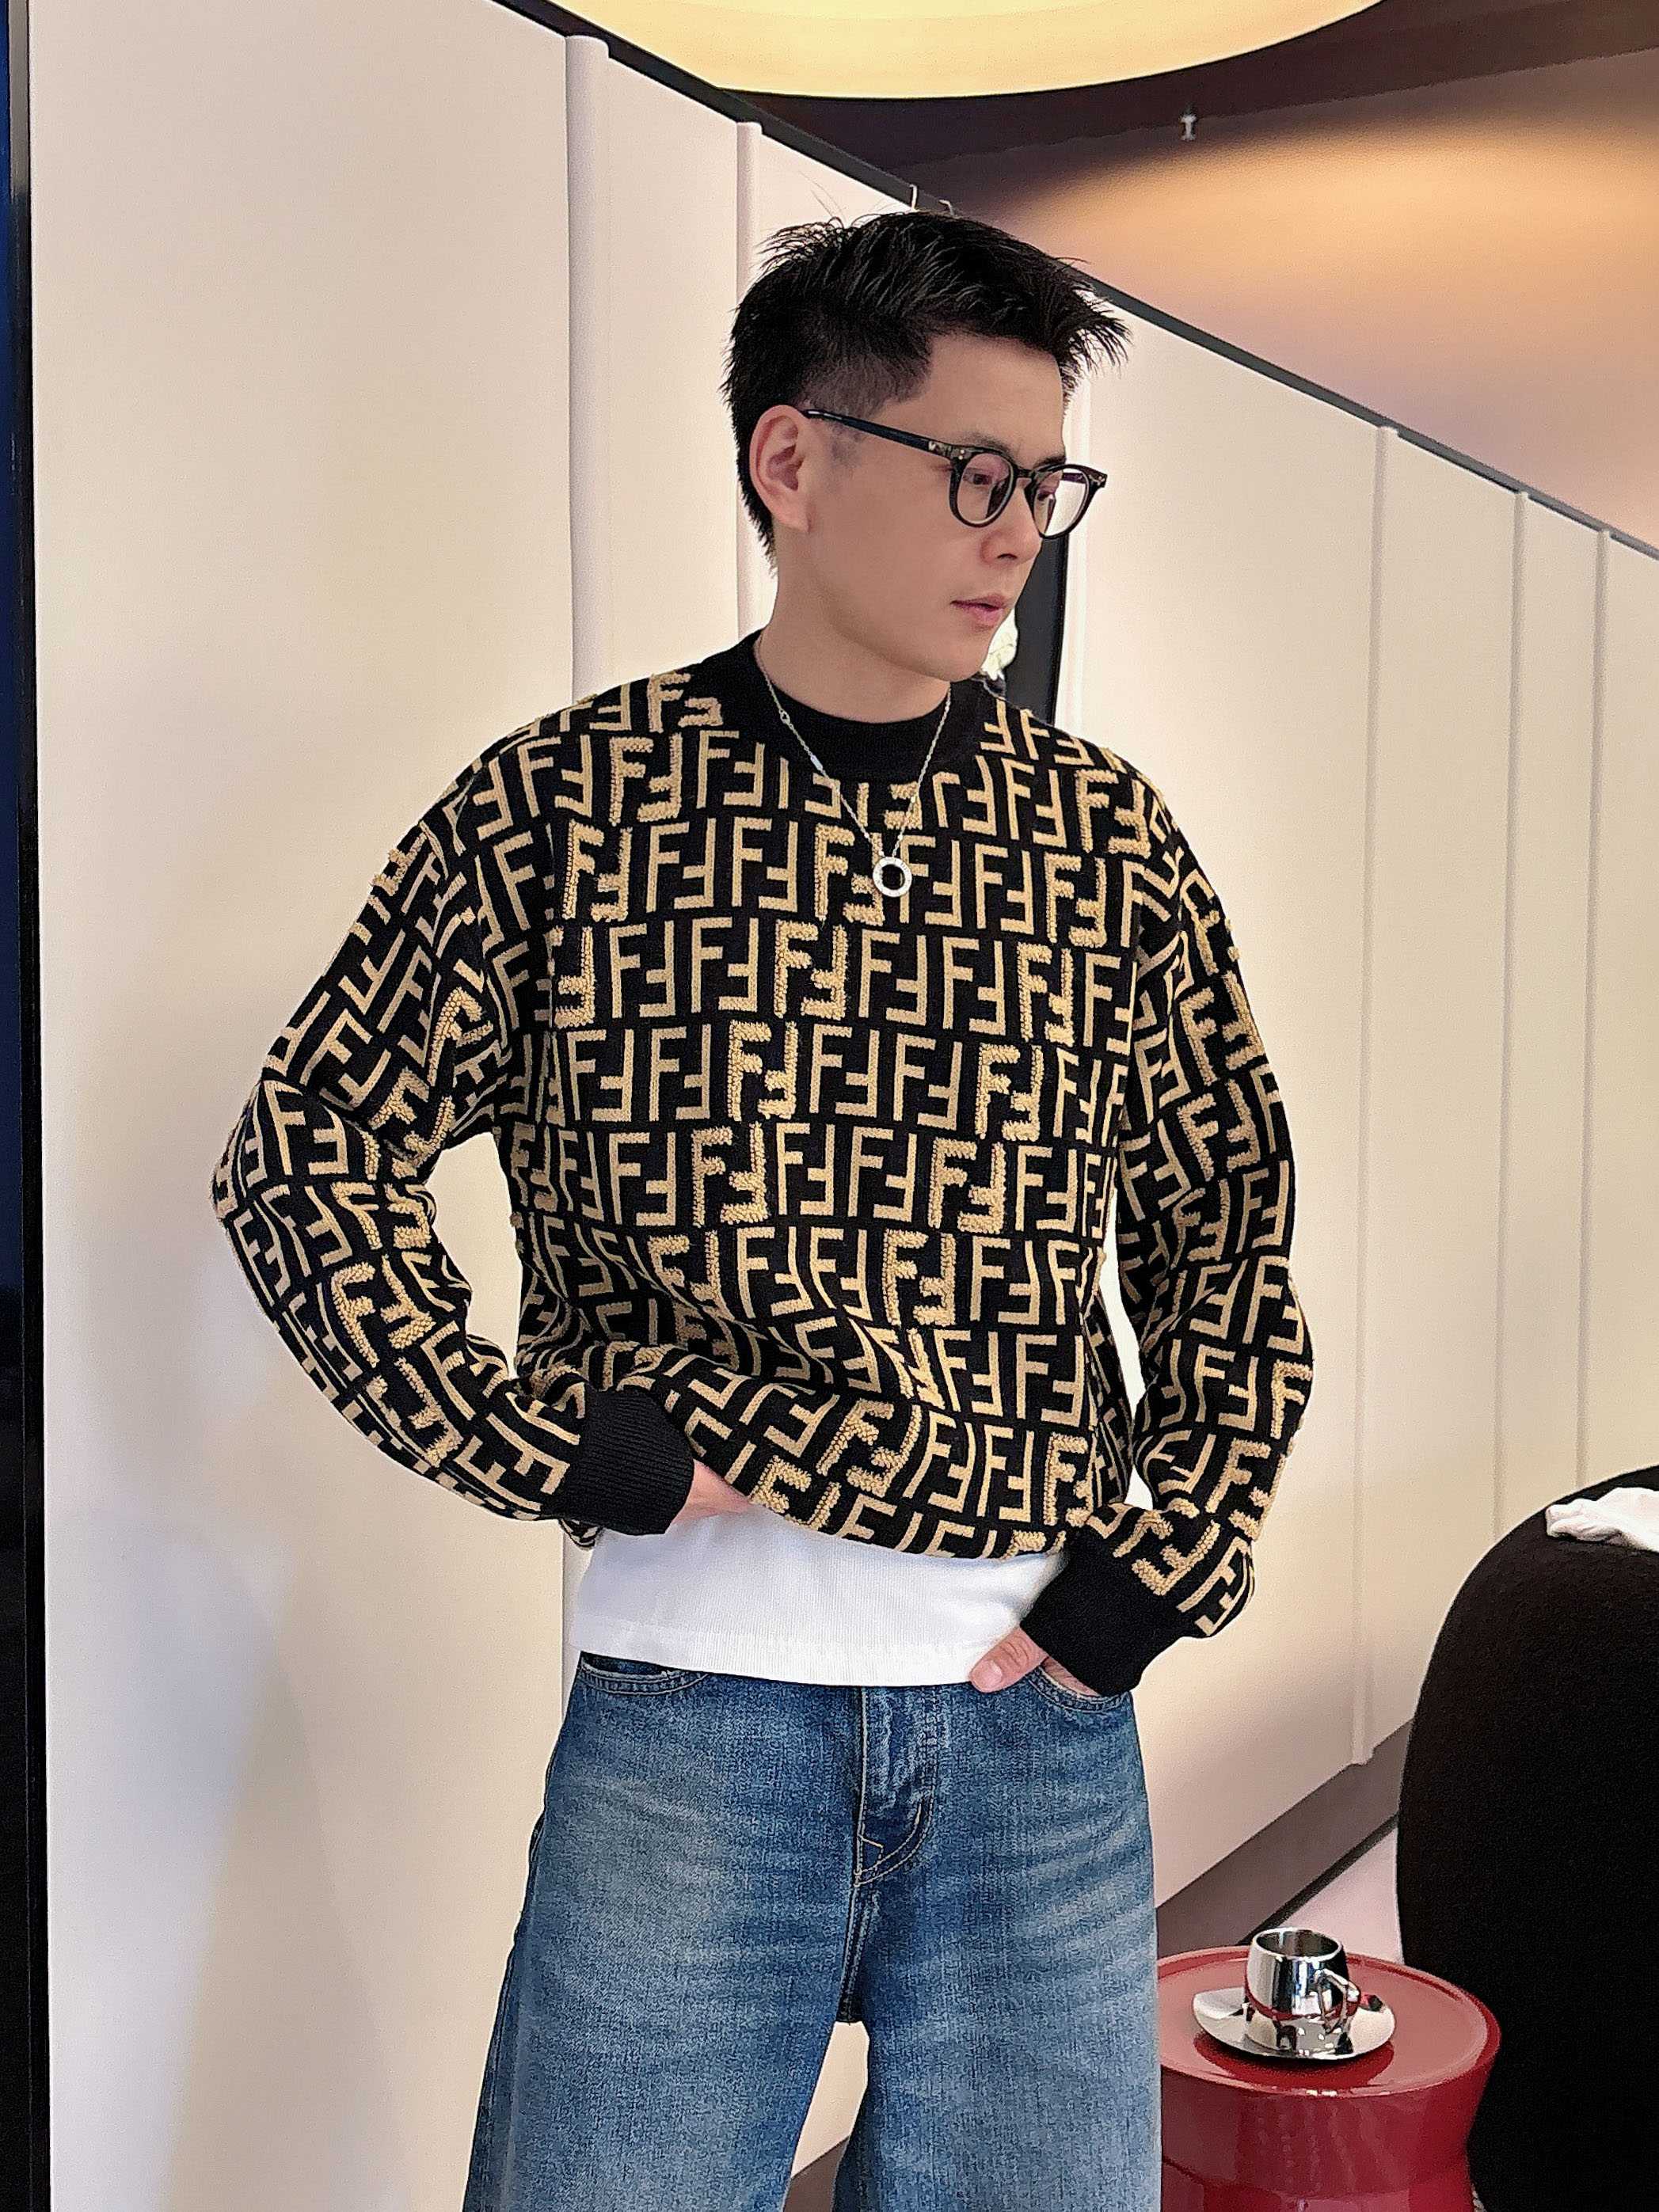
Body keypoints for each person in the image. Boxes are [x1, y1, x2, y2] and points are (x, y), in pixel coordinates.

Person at [211, 209, 1315, 2212]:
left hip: (1037, 1718)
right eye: (973, 472)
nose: (1017, 533)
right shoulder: (568, 807)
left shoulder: (1102, 841)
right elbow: (308, 1154)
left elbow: (1225, 1230)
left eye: (1047, 484)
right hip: (695, 1717)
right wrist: (550, 1440)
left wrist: (1163, 1568)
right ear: (791, 458)